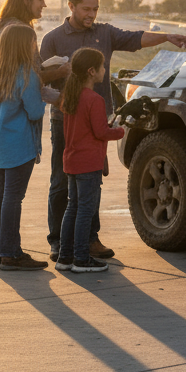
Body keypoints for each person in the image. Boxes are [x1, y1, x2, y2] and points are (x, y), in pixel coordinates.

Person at [39, 0, 186, 261]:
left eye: (95, 9)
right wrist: (62, 92)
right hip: (65, 122)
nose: (91, 14)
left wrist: (167, 37)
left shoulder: (104, 33)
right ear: (71, 6)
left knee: (91, 180)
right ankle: (59, 242)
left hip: (99, 120)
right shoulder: (53, 39)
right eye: (86, 9)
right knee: (61, 182)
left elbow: (136, 39)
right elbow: (39, 79)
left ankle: (90, 239)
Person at [55, 48, 124, 273]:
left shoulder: (70, 96)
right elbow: (101, 132)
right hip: (88, 163)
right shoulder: (95, 99)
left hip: (72, 160)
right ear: (92, 71)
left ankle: (65, 257)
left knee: (72, 207)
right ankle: (82, 258)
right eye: (102, 66)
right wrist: (121, 130)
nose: (105, 70)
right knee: (86, 210)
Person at [0, 23, 48, 271]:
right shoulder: (26, 75)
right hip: (20, 145)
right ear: (25, 46)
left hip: (0, 143)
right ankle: (11, 254)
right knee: (13, 198)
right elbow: (34, 112)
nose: (35, 46)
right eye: (33, 42)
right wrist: (44, 97)